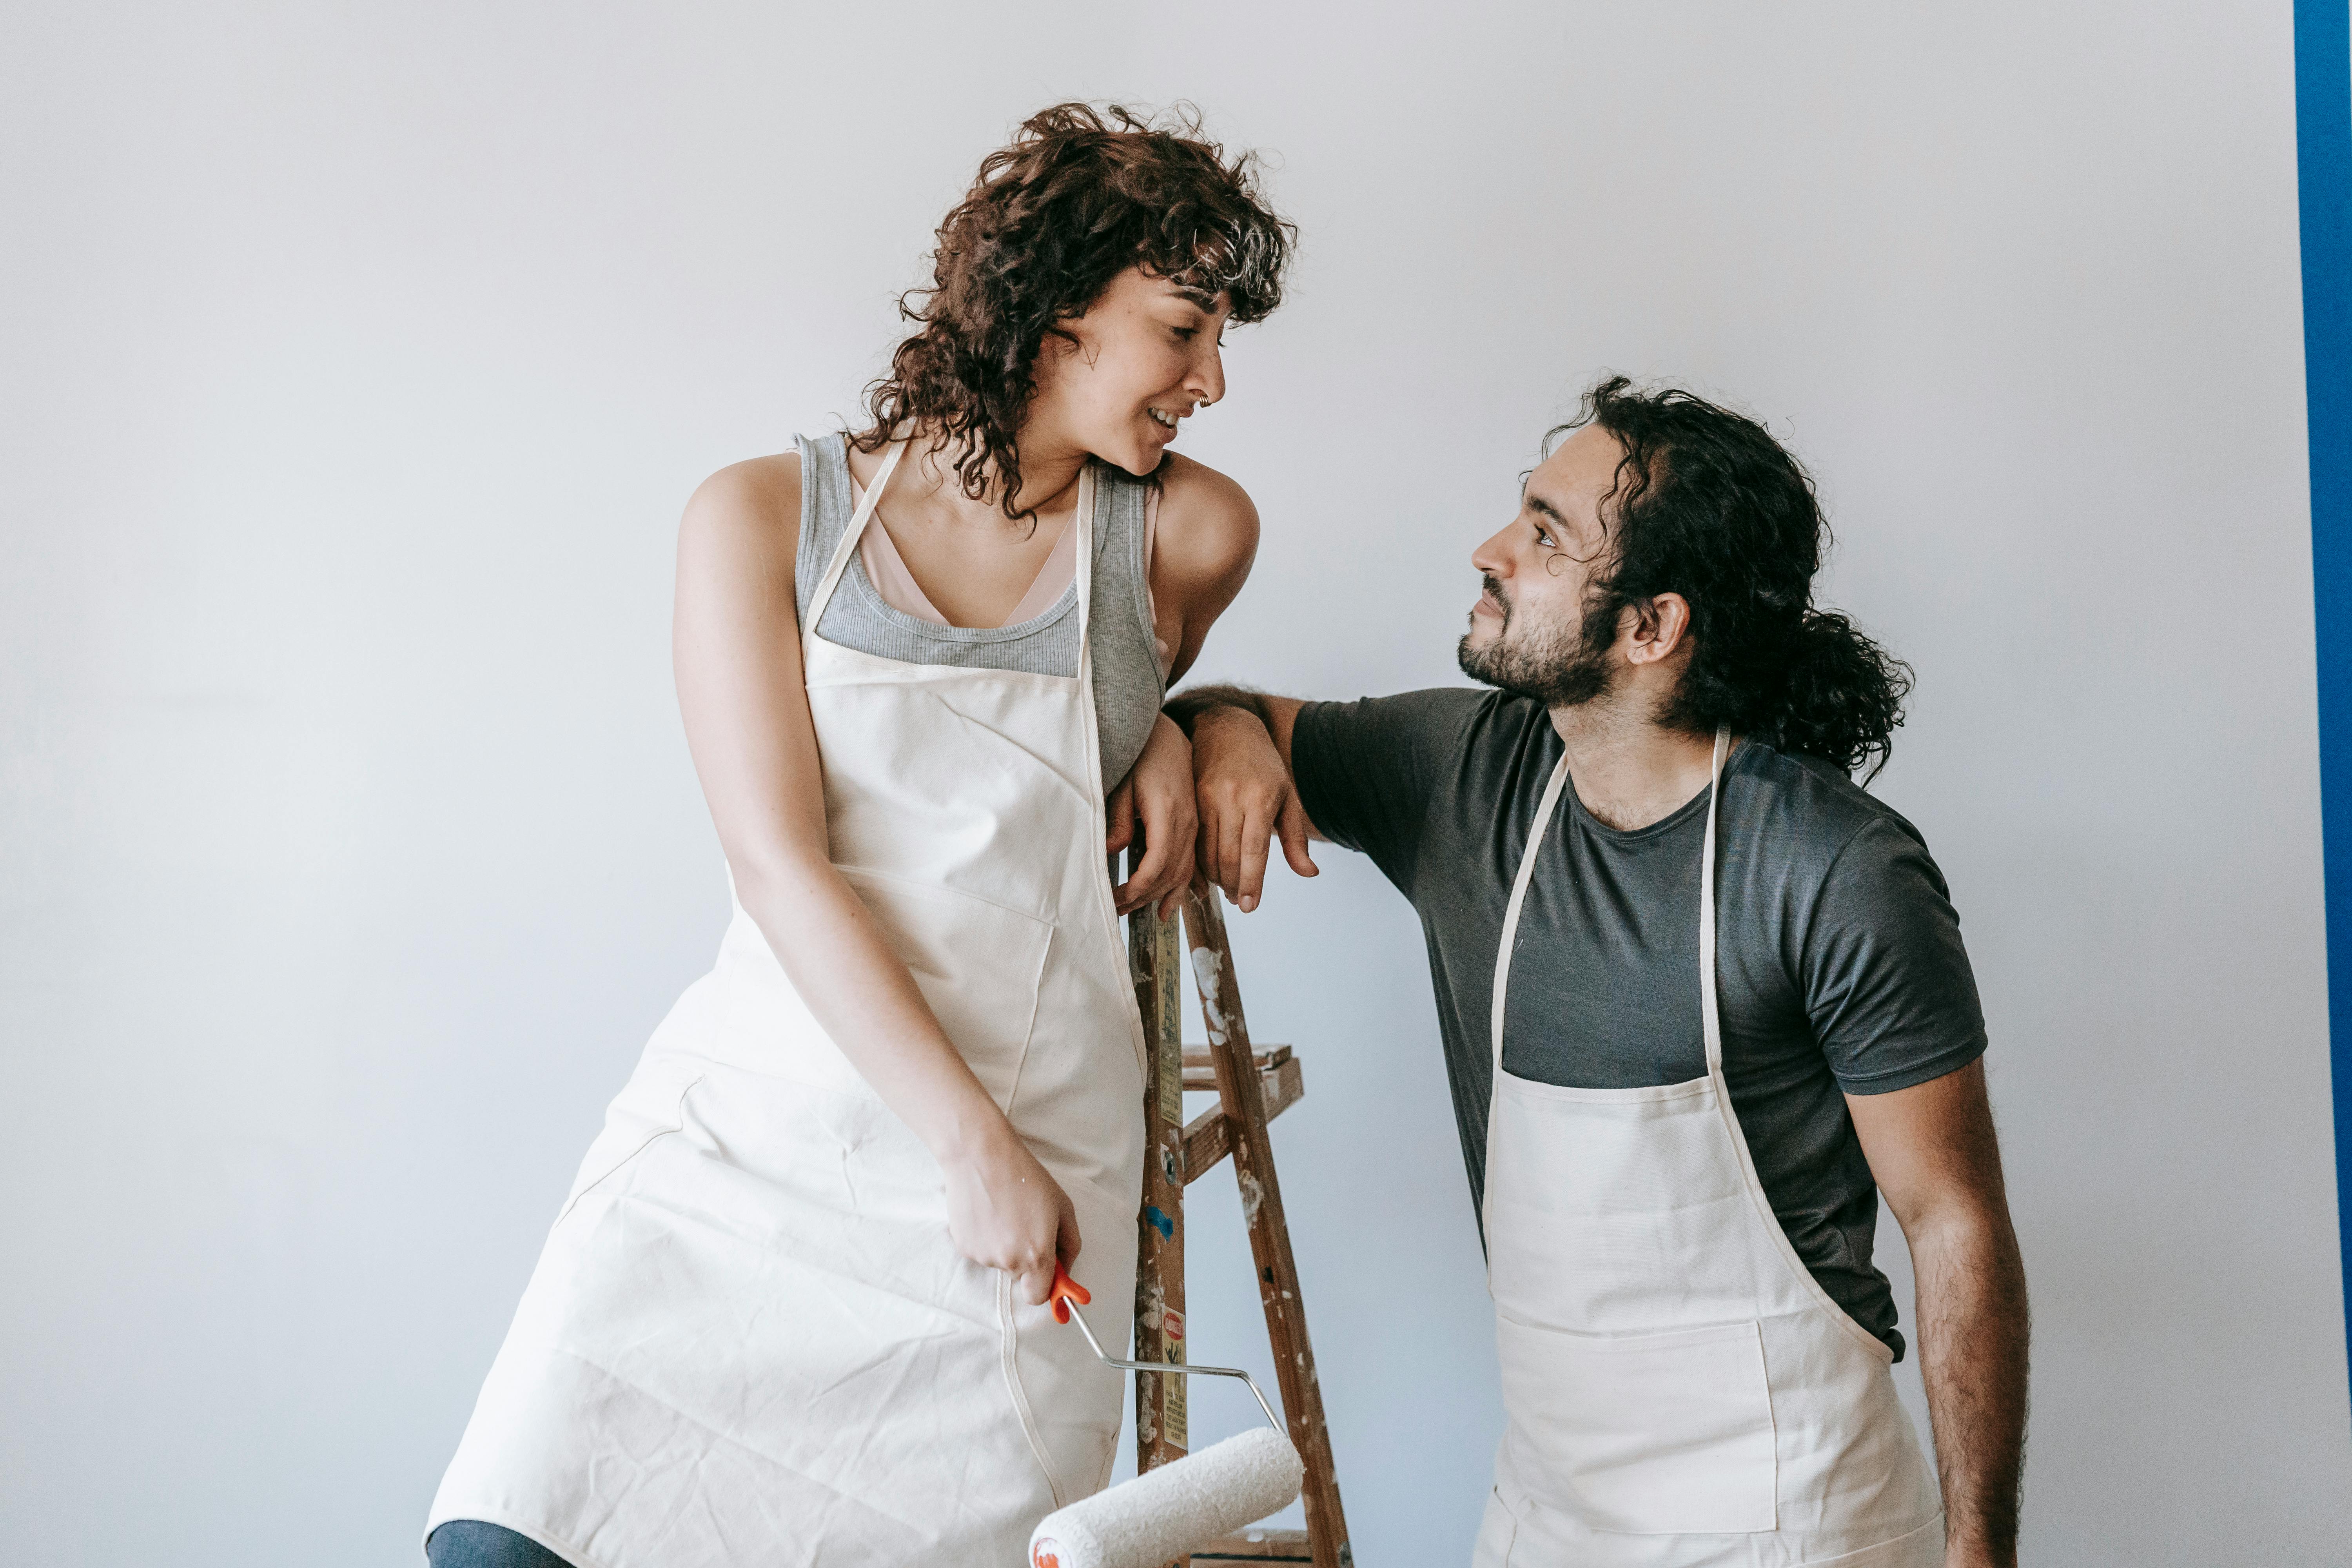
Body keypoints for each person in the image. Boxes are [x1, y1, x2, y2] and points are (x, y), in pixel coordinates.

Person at [425, 104, 1290, 1568]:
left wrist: (1217, 724)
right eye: (1184, 329)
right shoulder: (760, 518)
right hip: (760, 1152)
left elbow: (1127, 704)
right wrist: (967, 1145)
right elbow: (778, 864)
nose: (1210, 378)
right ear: (1059, 312)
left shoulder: (1189, 536)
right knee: (517, 1536)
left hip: (1019, 1180)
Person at [1171, 378, 2030, 1568]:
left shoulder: (1835, 869)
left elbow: (1954, 1223)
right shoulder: (1464, 777)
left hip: (1800, 1522)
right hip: (1547, 1519)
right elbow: (1222, 704)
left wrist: (1980, 1550)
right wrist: (1222, 731)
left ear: (1650, 628)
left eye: (1542, 535)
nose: (1489, 553)